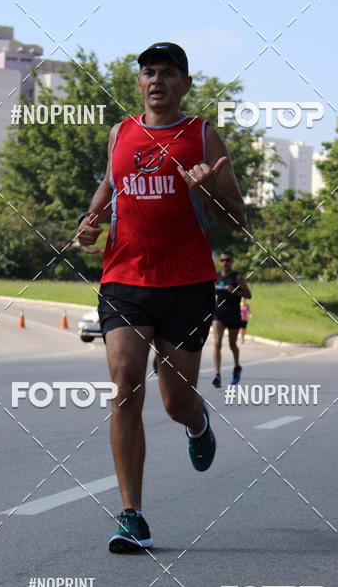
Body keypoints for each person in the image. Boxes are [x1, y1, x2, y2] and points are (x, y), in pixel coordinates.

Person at [77, 42, 246, 553]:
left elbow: (238, 219)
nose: (157, 80)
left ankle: (197, 422)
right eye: (149, 72)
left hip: (187, 285)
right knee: (125, 382)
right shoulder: (120, 133)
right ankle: (132, 515)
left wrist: (208, 190)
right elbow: (109, 186)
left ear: (185, 85)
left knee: (176, 402)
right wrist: (90, 221)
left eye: (168, 72)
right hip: (125, 280)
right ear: (139, 83)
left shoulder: (203, 136)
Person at [211, 251, 251, 387]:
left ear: (232, 261)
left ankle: (237, 367)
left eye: (227, 260)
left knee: (232, 344)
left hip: (233, 314)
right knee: (217, 342)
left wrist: (235, 291)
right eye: (222, 260)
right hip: (219, 313)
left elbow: (248, 295)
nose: (225, 263)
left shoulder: (237, 277)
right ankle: (217, 374)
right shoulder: (216, 276)